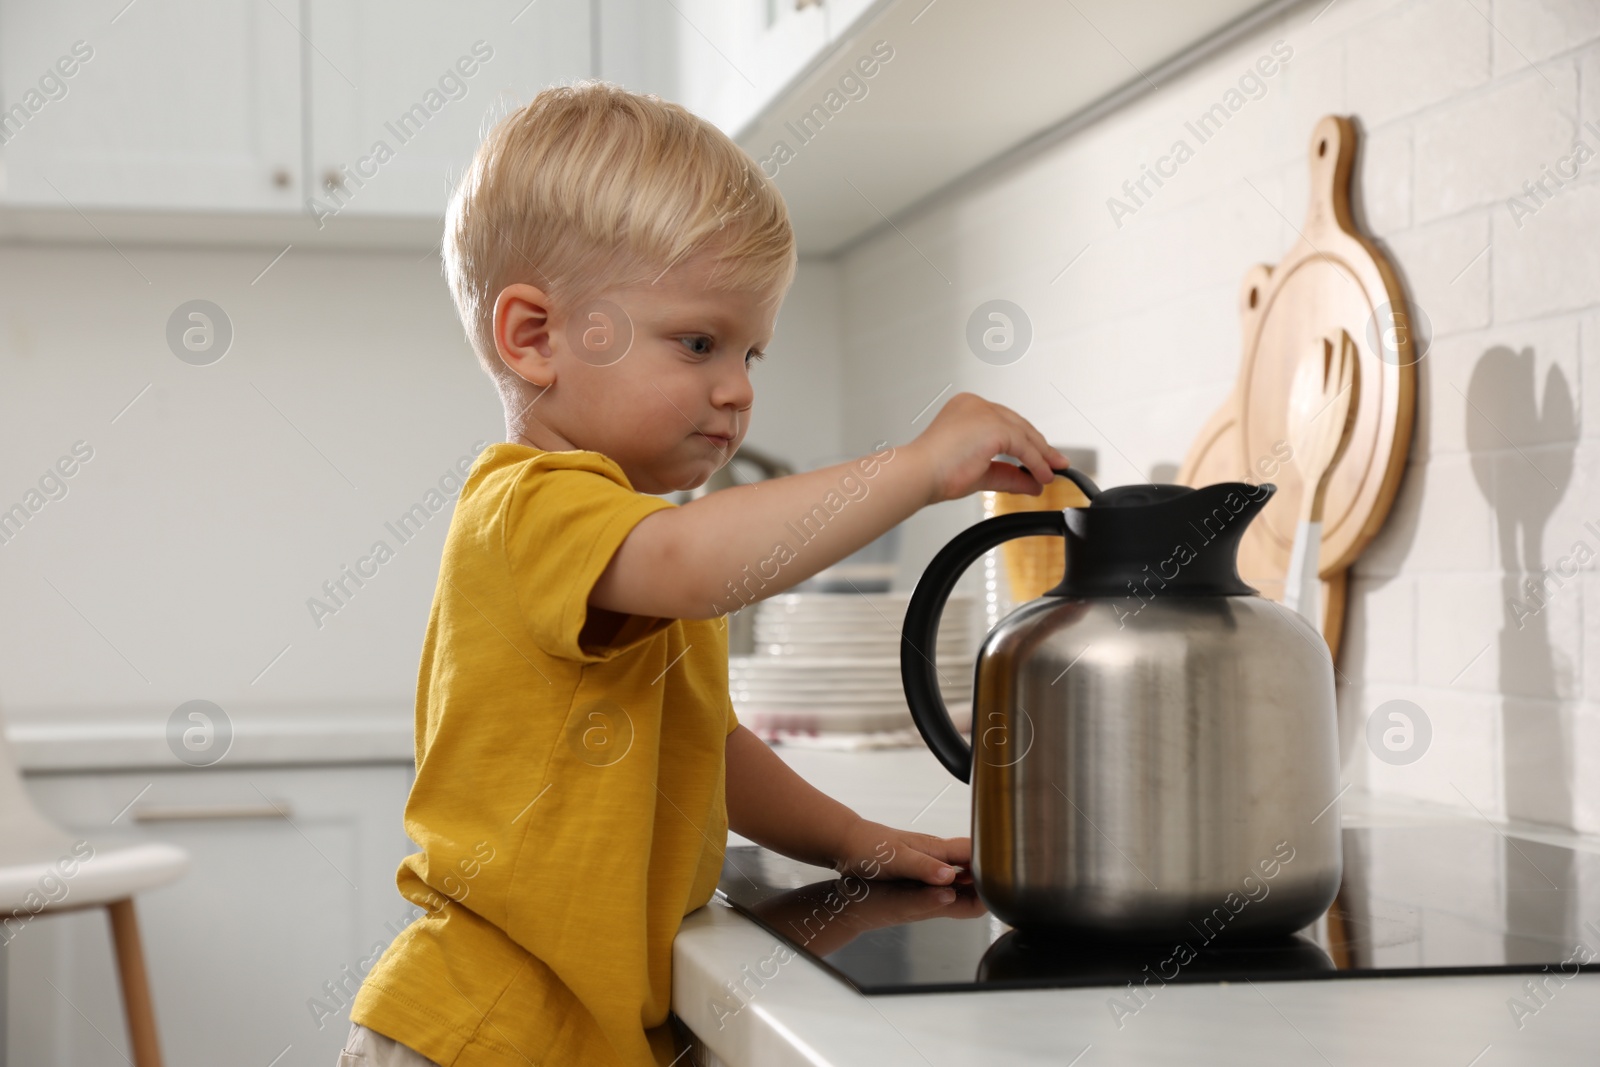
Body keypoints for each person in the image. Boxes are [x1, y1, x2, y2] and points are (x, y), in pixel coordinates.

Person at [339, 80, 1067, 1067]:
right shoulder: (531, 505)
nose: (736, 390)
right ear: (535, 336)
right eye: (698, 342)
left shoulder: (627, 543)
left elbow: (701, 749)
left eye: (750, 351)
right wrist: (913, 468)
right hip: (482, 1033)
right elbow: (698, 565)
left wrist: (850, 837)